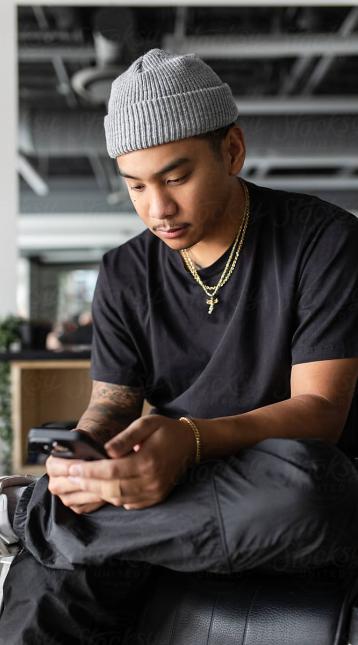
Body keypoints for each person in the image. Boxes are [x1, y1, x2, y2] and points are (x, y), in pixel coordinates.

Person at [1, 48, 358, 644]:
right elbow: (112, 405)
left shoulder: (326, 242)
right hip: (174, 492)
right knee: (49, 586)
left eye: (176, 177)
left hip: (273, 478)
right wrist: (87, 457)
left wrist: (190, 440)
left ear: (232, 151)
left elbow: (319, 414)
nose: (157, 209)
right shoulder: (122, 271)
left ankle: (32, 519)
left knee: (314, 490)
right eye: (136, 185)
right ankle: (52, 518)